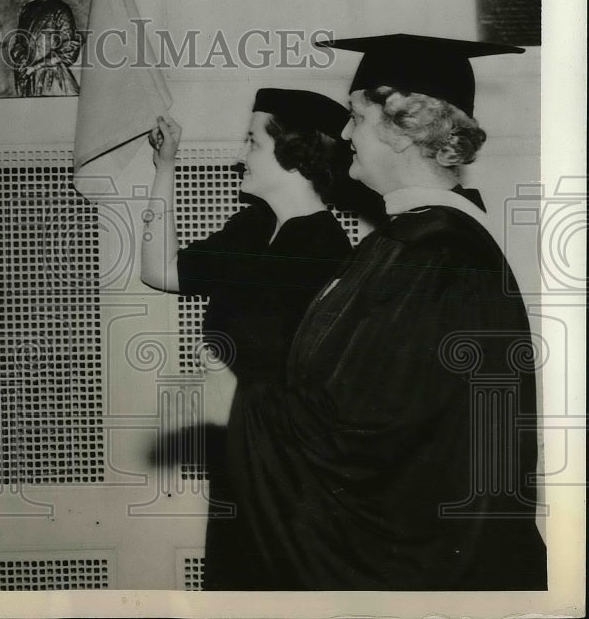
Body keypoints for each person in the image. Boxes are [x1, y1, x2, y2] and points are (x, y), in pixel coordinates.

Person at [226, 33, 547, 589]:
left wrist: (255, 401)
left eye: (355, 115)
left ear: (402, 127)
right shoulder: (417, 242)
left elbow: (367, 428)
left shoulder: (429, 253)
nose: (345, 134)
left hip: (415, 564)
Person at [139, 89, 353, 590]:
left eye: (252, 142)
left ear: (294, 151)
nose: (240, 156)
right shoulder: (254, 228)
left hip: (290, 479)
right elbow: (158, 270)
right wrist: (164, 167)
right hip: (242, 461)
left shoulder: (325, 249)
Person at [9, 0, 82, 97]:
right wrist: (23, 61)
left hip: (52, 79)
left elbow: (68, 48)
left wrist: (36, 66)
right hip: (29, 78)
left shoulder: (61, 10)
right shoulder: (27, 10)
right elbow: (19, 43)